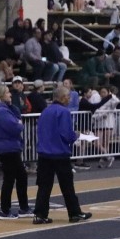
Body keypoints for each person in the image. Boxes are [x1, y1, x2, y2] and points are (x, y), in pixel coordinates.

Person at [32, 85, 92, 225]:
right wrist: (76, 135)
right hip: (59, 153)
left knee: (44, 186)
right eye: (68, 97)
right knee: (67, 186)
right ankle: (74, 212)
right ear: (63, 97)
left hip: (44, 153)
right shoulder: (64, 112)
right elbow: (66, 134)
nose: (69, 99)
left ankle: (40, 214)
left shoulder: (45, 111)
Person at [0, 84, 29, 219]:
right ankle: (9, 210)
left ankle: (17, 208)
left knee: (14, 177)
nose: (10, 94)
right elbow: (15, 127)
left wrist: (12, 108)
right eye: (7, 92)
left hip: (6, 147)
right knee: (16, 177)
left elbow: (16, 117)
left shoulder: (3, 109)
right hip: (8, 147)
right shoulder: (1, 111)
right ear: (1, 96)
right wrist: (19, 124)